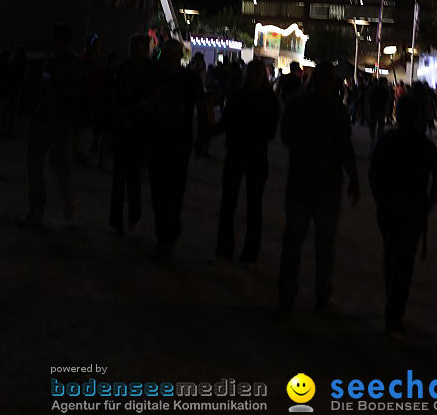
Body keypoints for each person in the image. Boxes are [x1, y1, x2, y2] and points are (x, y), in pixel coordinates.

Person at [277, 61, 360, 315]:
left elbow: (285, 136)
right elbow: (344, 146)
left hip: (302, 181)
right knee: (324, 245)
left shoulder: (297, 105)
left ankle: (287, 297)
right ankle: (321, 295)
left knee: (294, 242)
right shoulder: (335, 110)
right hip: (326, 184)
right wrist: (353, 177)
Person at [369, 94, 437, 339]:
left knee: (391, 256)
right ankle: (394, 313)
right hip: (412, 209)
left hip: (391, 207)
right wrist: (428, 204)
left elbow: (373, 173)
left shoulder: (387, 140)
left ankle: (392, 308)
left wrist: (379, 197)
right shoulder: (423, 145)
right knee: (404, 261)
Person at [212, 60, 280, 266]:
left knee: (236, 203)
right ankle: (246, 254)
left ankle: (229, 250)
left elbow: (226, 122)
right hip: (253, 153)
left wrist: (210, 132)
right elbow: (270, 130)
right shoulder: (267, 99)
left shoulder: (241, 96)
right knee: (248, 205)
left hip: (242, 152)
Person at [19, 24, 88, 229]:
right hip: (59, 120)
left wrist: (56, 91)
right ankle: (64, 201)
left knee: (40, 165)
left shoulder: (54, 62)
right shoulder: (73, 63)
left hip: (49, 118)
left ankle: (38, 210)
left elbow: (47, 86)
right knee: (58, 165)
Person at [146, 38, 203, 260]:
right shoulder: (157, 77)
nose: (169, 59)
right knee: (159, 191)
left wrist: (202, 138)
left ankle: (167, 237)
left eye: (172, 55)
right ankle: (166, 235)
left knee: (173, 191)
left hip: (178, 143)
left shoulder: (189, 80)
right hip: (159, 140)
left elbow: (202, 106)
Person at [109, 34, 153, 235]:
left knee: (132, 176)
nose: (136, 50)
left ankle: (133, 218)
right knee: (119, 177)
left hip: (139, 129)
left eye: (139, 47)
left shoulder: (149, 71)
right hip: (125, 125)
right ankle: (116, 221)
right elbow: (115, 95)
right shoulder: (125, 68)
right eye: (134, 46)